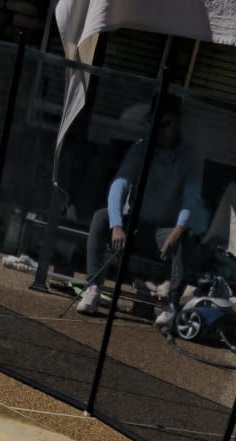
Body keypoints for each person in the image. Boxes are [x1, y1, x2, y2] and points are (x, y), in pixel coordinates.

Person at [77, 106, 204, 330]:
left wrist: (178, 228)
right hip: (136, 225)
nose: (158, 131)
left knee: (185, 239)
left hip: (163, 231)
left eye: (164, 125)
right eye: (154, 124)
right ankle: (93, 288)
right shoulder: (141, 149)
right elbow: (120, 183)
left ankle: (171, 305)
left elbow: (192, 197)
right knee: (100, 218)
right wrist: (117, 224)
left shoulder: (189, 157)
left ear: (176, 124)